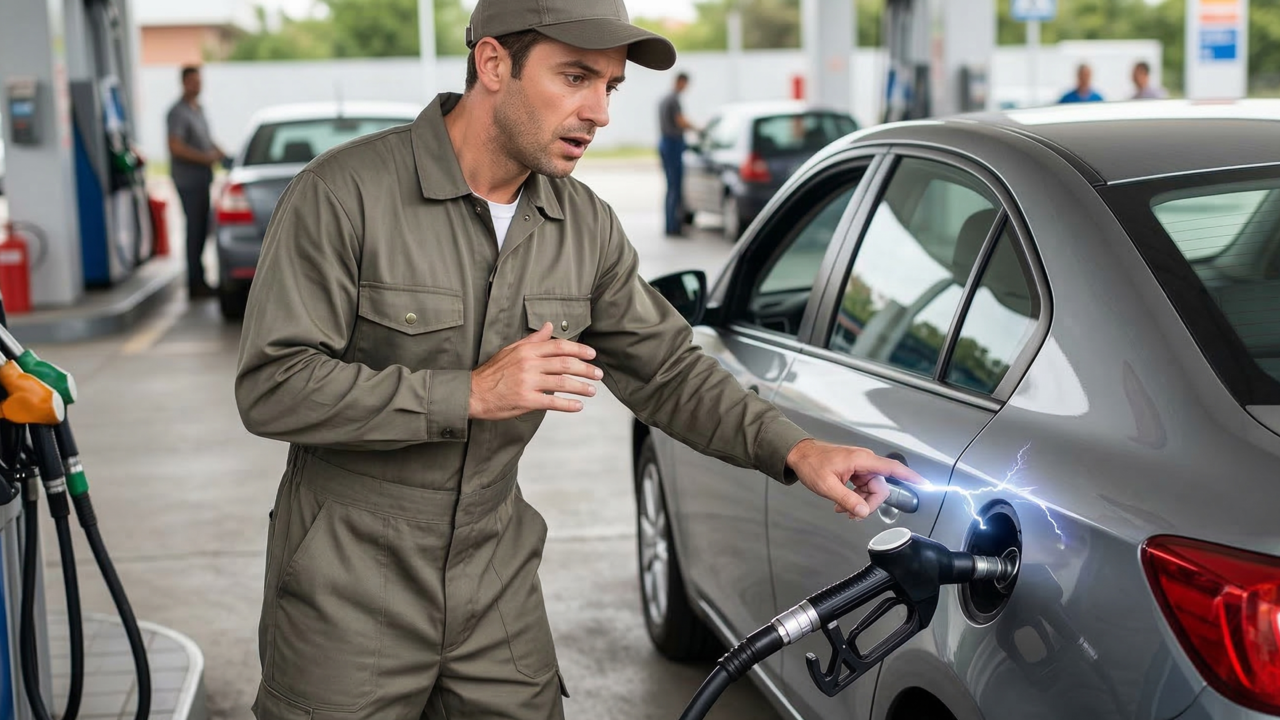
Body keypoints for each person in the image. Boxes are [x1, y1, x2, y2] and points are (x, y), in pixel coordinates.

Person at [235, 0, 925, 717]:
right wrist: (467, 392)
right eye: (574, 77)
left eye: (611, 86)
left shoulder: (583, 224)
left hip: (493, 572)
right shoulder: (344, 195)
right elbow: (273, 386)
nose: (598, 111)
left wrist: (797, 449)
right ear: (493, 63)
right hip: (345, 576)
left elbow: (667, 371)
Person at [166, 66, 226, 298]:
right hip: (188, 180)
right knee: (195, 229)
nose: (197, 85)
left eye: (199, 81)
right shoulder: (178, 112)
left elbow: (207, 140)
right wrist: (206, 158)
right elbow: (175, 146)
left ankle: (200, 278)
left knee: (202, 229)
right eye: (192, 81)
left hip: (203, 179)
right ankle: (194, 283)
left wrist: (222, 153)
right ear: (183, 83)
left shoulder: (198, 110)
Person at [658, 71, 697, 237]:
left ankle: (670, 225)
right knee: (675, 186)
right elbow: (680, 121)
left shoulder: (665, 99)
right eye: (685, 84)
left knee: (671, 186)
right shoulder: (673, 100)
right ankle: (674, 226)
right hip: (673, 143)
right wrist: (698, 129)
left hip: (667, 143)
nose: (686, 88)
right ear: (680, 82)